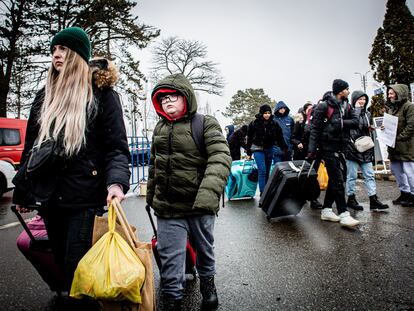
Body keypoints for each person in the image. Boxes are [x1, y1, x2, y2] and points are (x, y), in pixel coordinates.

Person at [12, 27, 130, 307]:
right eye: (53, 50)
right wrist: (24, 192)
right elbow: (32, 149)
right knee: (67, 272)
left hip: (84, 198)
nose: (56, 55)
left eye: (63, 49)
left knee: (79, 271)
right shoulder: (44, 97)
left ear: (78, 55)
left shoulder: (102, 95)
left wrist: (116, 183)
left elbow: (116, 147)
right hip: (51, 200)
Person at [147, 73, 232, 310]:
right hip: (168, 207)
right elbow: (154, 165)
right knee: (169, 254)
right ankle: (172, 298)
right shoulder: (159, 129)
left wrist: (208, 195)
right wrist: (152, 197)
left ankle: (208, 285)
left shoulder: (205, 123)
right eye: (163, 99)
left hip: (199, 204)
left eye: (174, 96)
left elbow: (221, 156)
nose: (168, 101)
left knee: (204, 248)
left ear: (187, 97)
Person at [307, 79, 360, 227]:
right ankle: (344, 213)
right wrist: (312, 151)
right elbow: (314, 130)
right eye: (347, 89)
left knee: (338, 178)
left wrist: (341, 124)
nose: (348, 91)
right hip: (327, 147)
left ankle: (327, 209)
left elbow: (356, 121)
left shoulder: (346, 105)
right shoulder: (324, 106)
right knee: (337, 179)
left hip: (341, 146)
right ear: (340, 90)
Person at [345, 91, 389, 211]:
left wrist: (374, 128)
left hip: (365, 148)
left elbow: (364, 128)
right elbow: (353, 125)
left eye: (364, 99)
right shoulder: (349, 113)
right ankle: (351, 199)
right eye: (359, 99)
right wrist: (358, 110)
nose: (362, 101)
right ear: (354, 100)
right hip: (352, 149)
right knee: (352, 176)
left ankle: (373, 199)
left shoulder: (368, 114)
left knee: (369, 175)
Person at [246, 104, 287, 195]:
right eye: (265, 113)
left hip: (269, 149)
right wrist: (248, 152)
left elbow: (280, 137)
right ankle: (262, 192)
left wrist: (284, 147)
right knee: (262, 170)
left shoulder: (274, 123)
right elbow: (249, 138)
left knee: (268, 171)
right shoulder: (254, 123)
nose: (267, 115)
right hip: (257, 149)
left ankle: (267, 191)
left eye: (269, 113)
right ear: (261, 113)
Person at [386, 84, 414, 207]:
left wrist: (398, 138)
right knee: (396, 170)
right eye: (389, 93)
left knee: (409, 171)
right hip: (394, 147)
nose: (389, 95)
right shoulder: (392, 109)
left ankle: (413, 195)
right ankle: (405, 193)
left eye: (392, 93)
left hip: (406, 146)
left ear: (399, 93)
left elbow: (411, 126)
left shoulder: (409, 107)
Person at [292, 102, 323, 209]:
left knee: (313, 175)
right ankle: (301, 196)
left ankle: (314, 199)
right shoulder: (300, 122)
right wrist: (298, 143)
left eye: (312, 109)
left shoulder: (317, 122)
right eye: (309, 109)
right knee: (304, 176)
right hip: (303, 153)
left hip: (315, 153)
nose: (311, 111)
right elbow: (293, 137)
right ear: (305, 111)